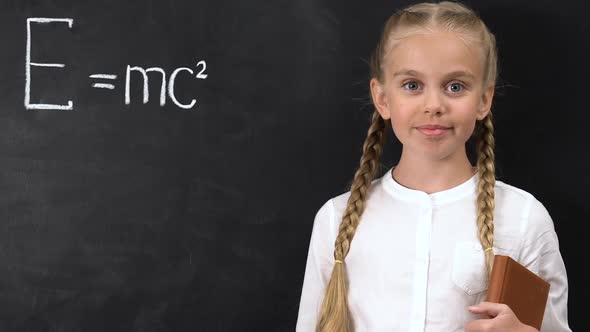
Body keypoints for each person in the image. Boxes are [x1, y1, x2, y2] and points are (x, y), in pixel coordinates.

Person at [295, 1, 571, 331]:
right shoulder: (334, 221)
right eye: (412, 85)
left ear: (484, 100)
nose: (434, 105)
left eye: (455, 86)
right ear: (382, 98)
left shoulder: (524, 218)